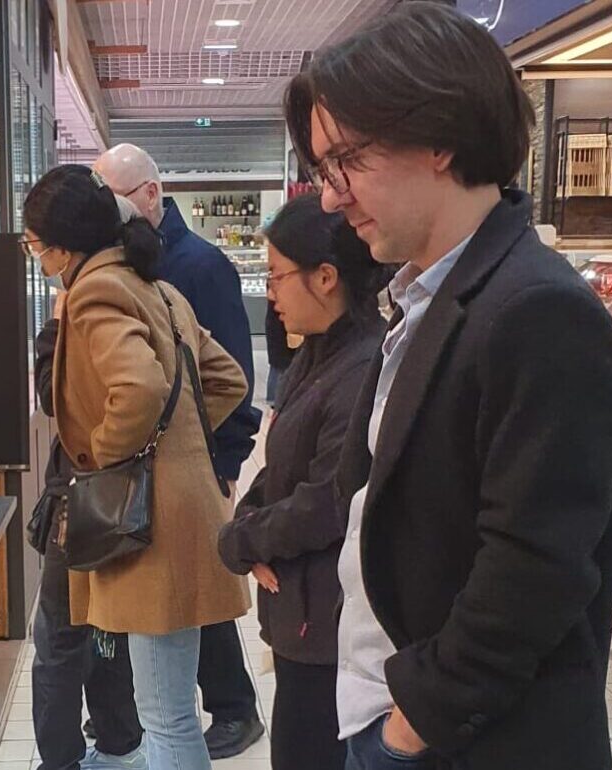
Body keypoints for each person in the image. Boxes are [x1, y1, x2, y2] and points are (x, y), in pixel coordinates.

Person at [285, 4, 612, 770]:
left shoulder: (535, 310)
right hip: (389, 708)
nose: (331, 195)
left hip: (464, 740)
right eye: (321, 169)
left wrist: (411, 727)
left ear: (437, 136)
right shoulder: (427, 295)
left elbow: (536, 566)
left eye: (345, 161)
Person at [23, 164, 251, 770]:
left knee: (168, 717)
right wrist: (179, 445)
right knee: (171, 706)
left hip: (147, 525)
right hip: (187, 509)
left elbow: (141, 387)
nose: (37, 257)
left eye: (34, 245)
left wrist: (106, 453)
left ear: (62, 246)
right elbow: (227, 378)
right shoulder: (161, 288)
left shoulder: (94, 291)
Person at [93, 144, 265, 760]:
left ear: (150, 194)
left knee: (194, 598)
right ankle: (223, 707)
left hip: (196, 468)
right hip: (171, 471)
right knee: (188, 599)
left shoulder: (197, 266)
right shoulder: (137, 269)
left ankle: (235, 708)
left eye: (113, 198)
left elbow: (231, 378)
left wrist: (217, 461)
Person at [219, 195, 388, 770]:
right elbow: (279, 469)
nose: (270, 292)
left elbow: (328, 500)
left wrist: (242, 540)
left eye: (275, 275)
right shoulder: (316, 354)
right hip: (301, 611)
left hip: (333, 626)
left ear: (325, 276)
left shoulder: (365, 365)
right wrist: (249, 519)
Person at [30, 295, 146, 770]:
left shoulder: (88, 301)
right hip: (132, 496)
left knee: (59, 637)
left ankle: (61, 760)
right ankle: (119, 745)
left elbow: (51, 395)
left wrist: (53, 328)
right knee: (108, 627)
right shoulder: (149, 291)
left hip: (83, 498)